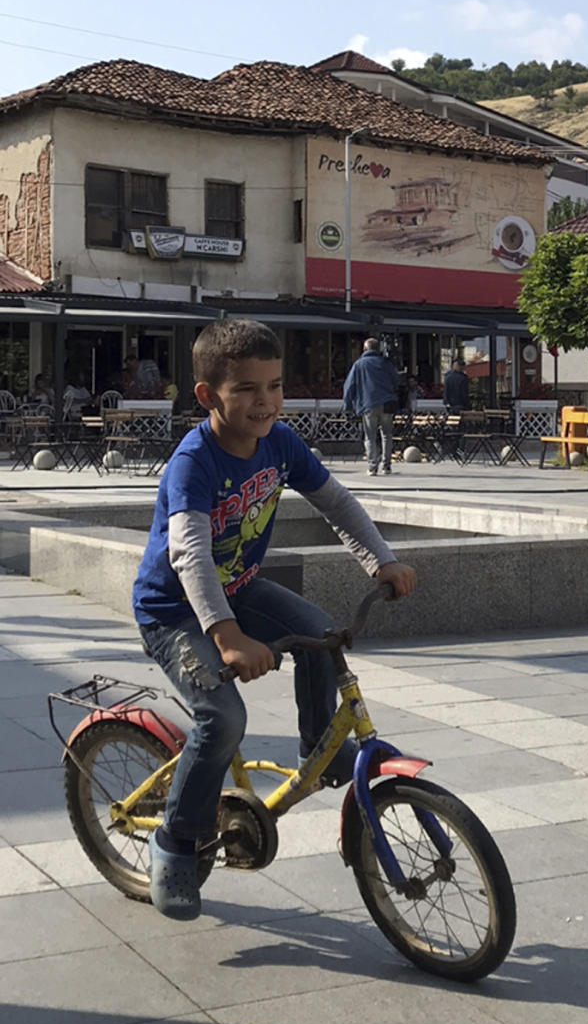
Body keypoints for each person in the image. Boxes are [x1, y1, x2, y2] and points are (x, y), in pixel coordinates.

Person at [133, 319, 416, 921]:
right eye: (247, 390)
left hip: (236, 587)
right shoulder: (194, 462)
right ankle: (176, 845)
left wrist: (380, 559)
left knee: (320, 632)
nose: (265, 402)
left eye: (275, 386)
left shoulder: (280, 443)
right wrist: (227, 635)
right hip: (175, 609)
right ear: (209, 395)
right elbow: (189, 553)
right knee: (222, 717)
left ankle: (320, 745)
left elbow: (335, 500)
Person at [342, 337, 399, 476]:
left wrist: (347, 405)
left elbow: (349, 386)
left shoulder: (359, 364)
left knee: (370, 436)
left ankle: (373, 466)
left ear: (365, 349)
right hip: (387, 402)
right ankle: (387, 466)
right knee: (387, 435)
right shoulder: (385, 363)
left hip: (368, 403)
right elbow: (396, 380)